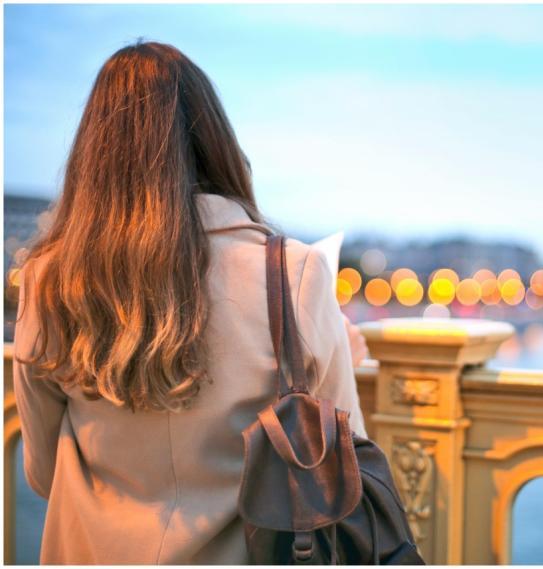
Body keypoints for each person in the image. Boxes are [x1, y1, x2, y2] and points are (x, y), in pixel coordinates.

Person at [12, 41, 369, 564]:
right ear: (215, 141)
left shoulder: (48, 279)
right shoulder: (293, 273)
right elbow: (346, 459)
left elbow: (42, 473)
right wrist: (343, 350)